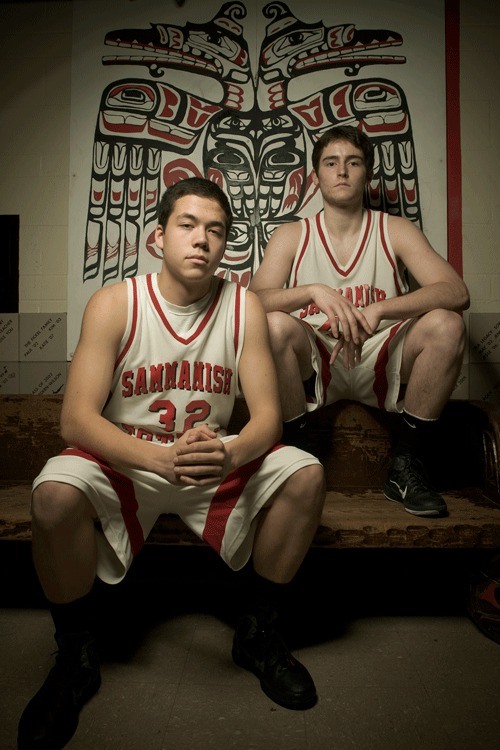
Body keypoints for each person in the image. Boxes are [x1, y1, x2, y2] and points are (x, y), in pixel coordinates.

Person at [18, 177, 325, 750]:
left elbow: (267, 421)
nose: (201, 240)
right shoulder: (116, 302)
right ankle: (76, 656)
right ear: (158, 237)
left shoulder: (244, 306)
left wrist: (230, 451)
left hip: (210, 462)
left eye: (215, 230)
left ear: (226, 245)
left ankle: (258, 632)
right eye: (187, 225)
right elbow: (76, 421)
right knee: (53, 495)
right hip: (130, 458)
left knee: (305, 472)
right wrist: (157, 458)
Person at [249, 125, 470, 518]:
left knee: (448, 325)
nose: (342, 171)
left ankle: (405, 465)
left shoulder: (395, 229)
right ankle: (296, 457)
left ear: (367, 173)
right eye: (331, 163)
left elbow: (455, 291)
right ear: (316, 176)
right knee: (273, 325)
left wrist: (383, 308)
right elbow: (252, 301)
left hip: (382, 354)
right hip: (316, 362)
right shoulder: (292, 235)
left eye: (353, 163)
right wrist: (312, 291)